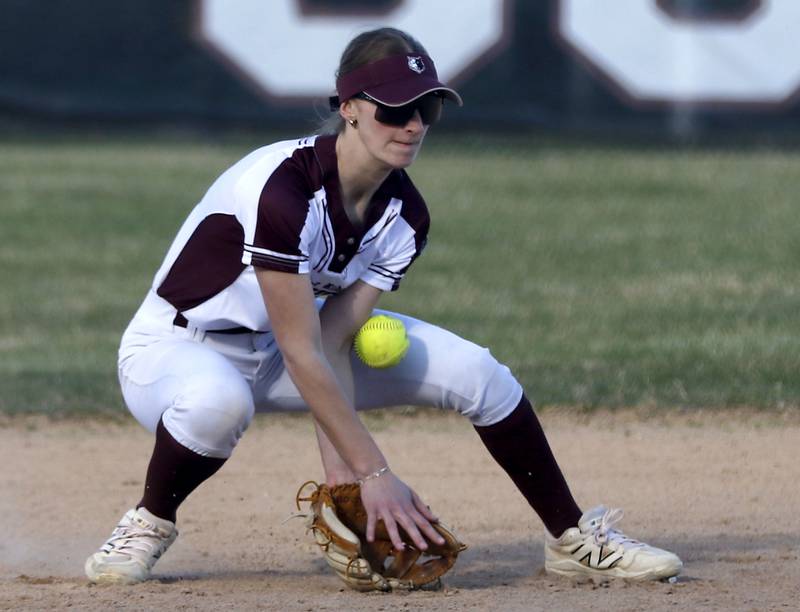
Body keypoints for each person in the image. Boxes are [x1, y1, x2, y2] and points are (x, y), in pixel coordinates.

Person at [85, 27, 682, 585]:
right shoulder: (281, 189)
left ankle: (572, 539)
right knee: (219, 403)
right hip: (178, 351)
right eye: (395, 109)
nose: (413, 125)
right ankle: (148, 520)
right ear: (348, 107)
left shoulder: (406, 216)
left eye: (427, 108)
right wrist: (372, 474)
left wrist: (341, 475)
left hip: (288, 351)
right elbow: (301, 347)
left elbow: (331, 337)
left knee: (480, 374)